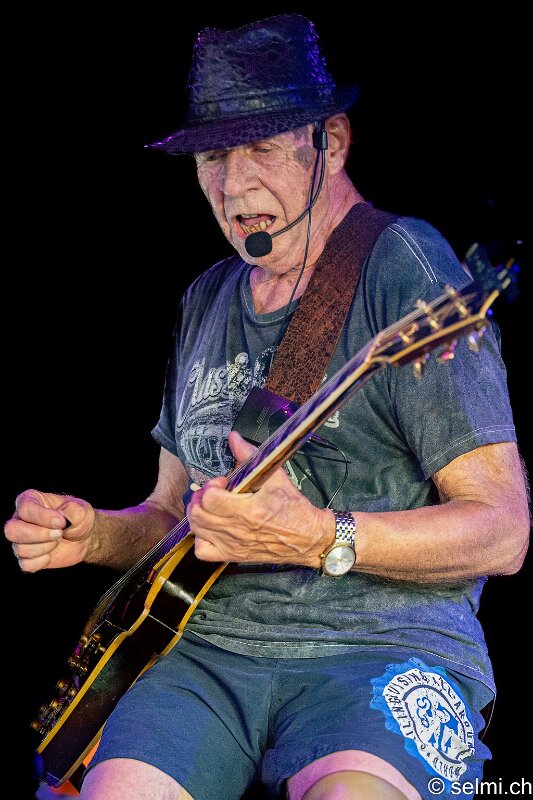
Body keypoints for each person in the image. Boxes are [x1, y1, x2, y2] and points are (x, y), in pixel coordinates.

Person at [5, 14, 529, 800]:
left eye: (260, 148)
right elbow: (175, 516)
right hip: (204, 654)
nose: (233, 185)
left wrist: (319, 536)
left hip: (381, 647)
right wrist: (93, 534)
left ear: (331, 142)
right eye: (213, 157)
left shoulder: (405, 269)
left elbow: (501, 530)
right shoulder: (207, 297)